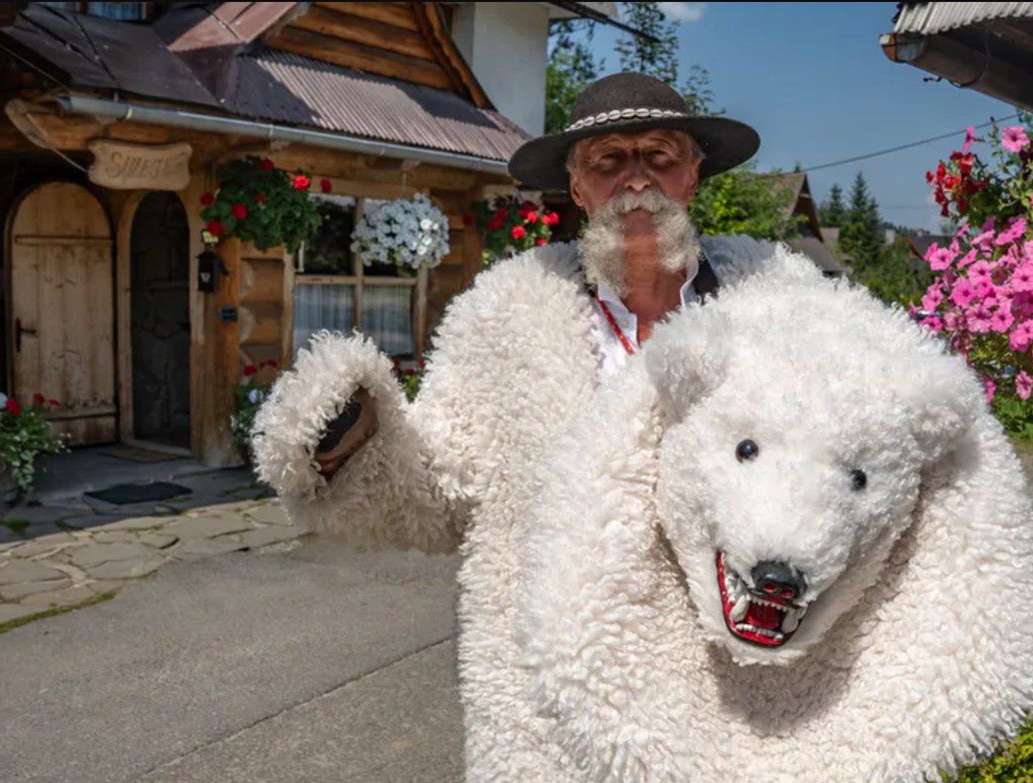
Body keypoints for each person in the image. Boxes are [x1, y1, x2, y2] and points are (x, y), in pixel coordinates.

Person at [251, 71, 821, 779]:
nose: (634, 178)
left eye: (658, 155)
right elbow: (441, 489)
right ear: (577, 187)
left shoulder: (780, 301)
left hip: (734, 674)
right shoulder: (508, 314)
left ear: (693, 174)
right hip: (553, 688)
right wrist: (353, 441)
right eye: (608, 161)